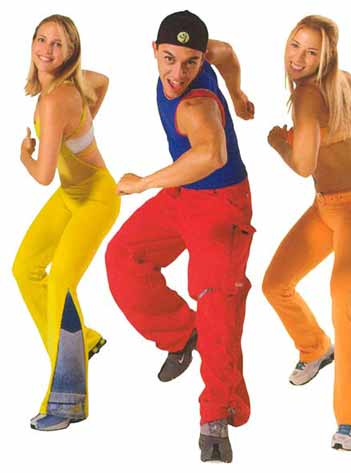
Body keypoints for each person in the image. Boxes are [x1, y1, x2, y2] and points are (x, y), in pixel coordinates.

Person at [105, 10, 255, 463]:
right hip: (183, 193)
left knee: (216, 303)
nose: (177, 74)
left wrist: (143, 182)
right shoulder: (209, 55)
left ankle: (218, 415)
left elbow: (212, 154)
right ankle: (180, 334)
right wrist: (239, 93)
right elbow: (227, 53)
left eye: (191, 63)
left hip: (222, 204)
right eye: (169, 59)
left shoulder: (196, 105)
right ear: (154, 50)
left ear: (199, 59)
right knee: (123, 256)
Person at [262, 15, 351, 451]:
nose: (298, 58)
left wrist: (280, 141)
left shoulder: (308, 96)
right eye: (295, 45)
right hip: (325, 208)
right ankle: (315, 348)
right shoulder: (329, 85)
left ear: (326, 59)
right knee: (275, 283)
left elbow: (303, 165)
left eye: (312, 52)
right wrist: (324, 133)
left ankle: (350, 421)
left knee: (343, 299)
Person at [13, 14, 120, 431]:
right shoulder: (71, 84)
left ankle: (68, 399)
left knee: (60, 283)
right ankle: (82, 341)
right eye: (42, 39)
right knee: (25, 268)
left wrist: (26, 153)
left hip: (96, 197)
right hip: (72, 194)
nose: (47, 50)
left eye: (58, 44)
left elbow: (42, 175)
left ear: (71, 52)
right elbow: (103, 82)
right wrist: (85, 120)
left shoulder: (55, 100)